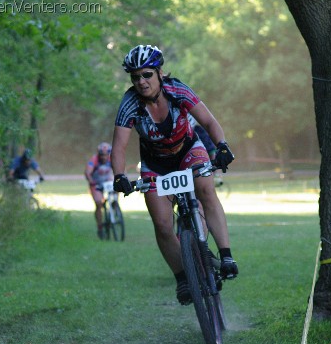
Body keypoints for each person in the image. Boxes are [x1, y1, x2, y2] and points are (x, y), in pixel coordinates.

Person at [110, 44, 238, 305]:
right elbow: (119, 146)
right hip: (156, 164)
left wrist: (222, 146)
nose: (141, 82)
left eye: (146, 75)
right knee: (163, 224)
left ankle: (225, 256)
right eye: (135, 77)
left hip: (188, 151)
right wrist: (119, 175)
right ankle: (182, 278)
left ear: (159, 73)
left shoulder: (177, 89)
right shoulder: (129, 103)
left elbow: (209, 122)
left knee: (205, 189)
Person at [85, 142, 115, 239]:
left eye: (106, 155)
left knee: (118, 187)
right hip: (96, 183)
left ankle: (114, 206)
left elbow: (120, 169)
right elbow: (88, 173)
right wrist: (91, 182)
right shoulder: (94, 160)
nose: (104, 157)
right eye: (102, 155)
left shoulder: (112, 159)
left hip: (107, 182)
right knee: (98, 203)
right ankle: (100, 227)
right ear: (99, 154)